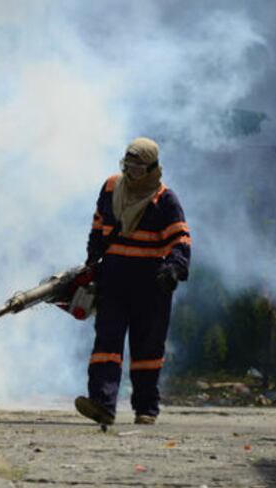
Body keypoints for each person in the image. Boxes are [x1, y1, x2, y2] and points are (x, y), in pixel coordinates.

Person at [74, 137, 191, 426]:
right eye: (128, 166)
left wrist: (173, 269)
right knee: (107, 344)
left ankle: (146, 409)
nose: (131, 174)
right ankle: (102, 404)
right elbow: (98, 227)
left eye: (138, 169)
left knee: (147, 350)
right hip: (113, 281)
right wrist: (92, 261)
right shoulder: (111, 187)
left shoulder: (165, 200)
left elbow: (180, 241)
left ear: (153, 169)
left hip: (150, 286)